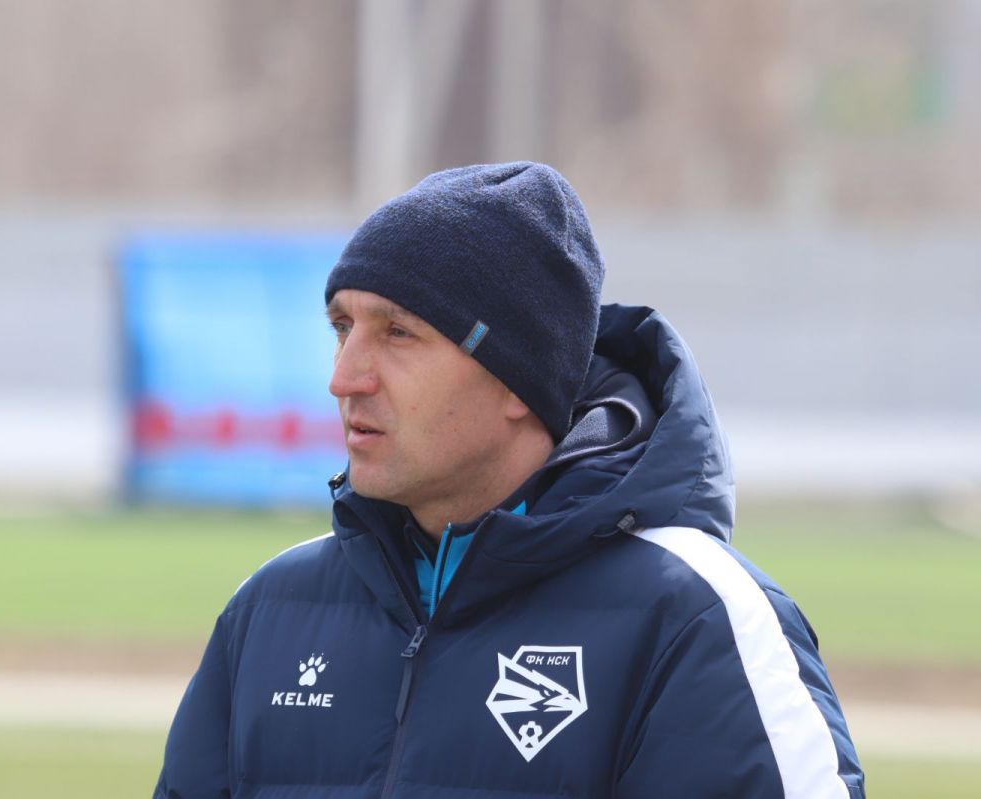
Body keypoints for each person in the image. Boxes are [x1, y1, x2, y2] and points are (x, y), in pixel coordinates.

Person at [153, 162, 865, 798]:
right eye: (343, 328)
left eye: (398, 333)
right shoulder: (271, 611)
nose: (344, 378)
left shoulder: (693, 618)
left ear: (517, 381)